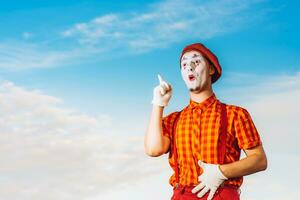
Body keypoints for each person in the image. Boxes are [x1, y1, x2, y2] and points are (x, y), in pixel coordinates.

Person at [144, 43, 268, 200]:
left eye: (196, 61)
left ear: (211, 69)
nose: (189, 67)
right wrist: (158, 104)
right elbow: (153, 150)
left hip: (221, 195)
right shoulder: (173, 120)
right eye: (184, 64)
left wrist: (221, 172)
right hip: (182, 195)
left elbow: (259, 160)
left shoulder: (235, 114)